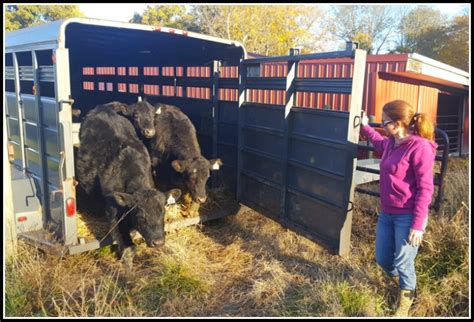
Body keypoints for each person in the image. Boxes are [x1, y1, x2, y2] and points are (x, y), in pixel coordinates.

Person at [360, 100, 437, 317]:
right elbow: (378, 142)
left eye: (384, 122)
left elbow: (425, 189)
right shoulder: (392, 143)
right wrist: (366, 126)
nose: (382, 125)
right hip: (387, 213)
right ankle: (402, 283)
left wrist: (417, 226)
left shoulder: (419, 147)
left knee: (404, 262)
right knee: (383, 259)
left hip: (409, 215)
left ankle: (406, 298)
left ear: (397, 123)